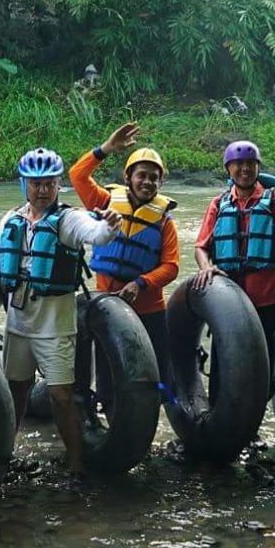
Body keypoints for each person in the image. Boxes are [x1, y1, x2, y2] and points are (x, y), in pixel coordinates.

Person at [0, 149, 121, 473]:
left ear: (58, 184)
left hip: (55, 325)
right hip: (19, 324)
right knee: (15, 392)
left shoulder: (69, 219)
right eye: (36, 184)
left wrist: (111, 226)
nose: (43, 190)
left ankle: (76, 465)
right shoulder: (13, 219)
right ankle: (6, 455)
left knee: (61, 396)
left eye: (49, 183)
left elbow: (96, 234)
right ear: (24, 185)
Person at [190, 141, 275, 365]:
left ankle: (263, 399)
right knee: (224, 366)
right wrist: (206, 267)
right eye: (238, 164)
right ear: (228, 168)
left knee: (263, 367)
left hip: (268, 302)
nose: (244, 169)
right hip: (228, 302)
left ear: (258, 167)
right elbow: (201, 247)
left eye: (250, 164)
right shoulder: (218, 204)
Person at [67, 121, 179, 380]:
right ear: (128, 177)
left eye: (154, 178)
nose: (147, 182)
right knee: (110, 377)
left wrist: (141, 283)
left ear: (160, 183)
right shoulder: (104, 202)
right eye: (141, 175)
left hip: (150, 309)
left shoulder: (165, 222)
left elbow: (171, 266)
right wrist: (106, 148)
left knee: (157, 379)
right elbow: (77, 175)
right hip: (108, 304)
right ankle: (102, 410)